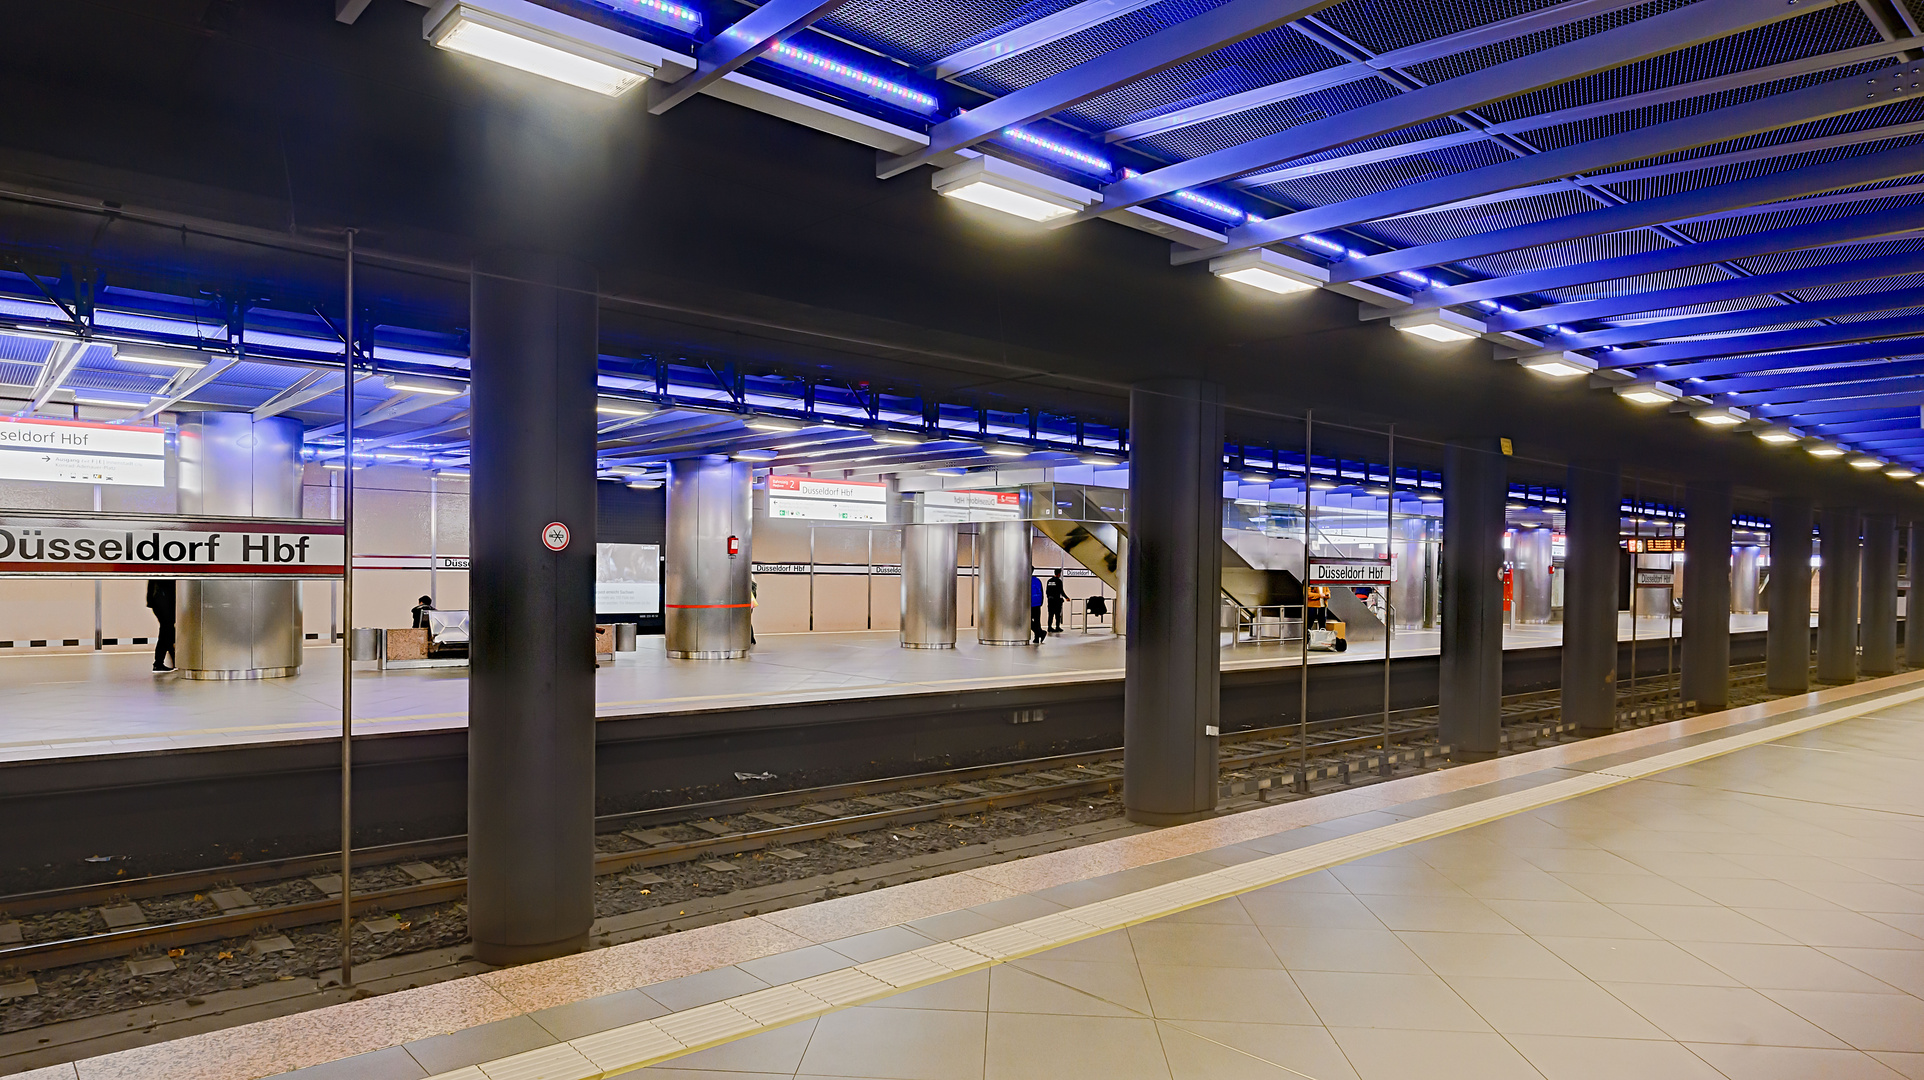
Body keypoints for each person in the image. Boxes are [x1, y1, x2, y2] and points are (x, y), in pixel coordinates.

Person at [146, 579, 176, 672]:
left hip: (158, 601)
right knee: (167, 631)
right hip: (164, 601)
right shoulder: (166, 579)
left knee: (168, 631)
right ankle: (160, 662)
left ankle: (167, 661)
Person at [1030, 575, 1046, 643]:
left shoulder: (1026, 580)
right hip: (1037, 603)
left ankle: (1040, 633)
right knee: (1037, 621)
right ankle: (1037, 637)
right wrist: (1041, 602)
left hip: (1029, 604)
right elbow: (1041, 591)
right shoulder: (1037, 580)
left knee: (1028, 621)